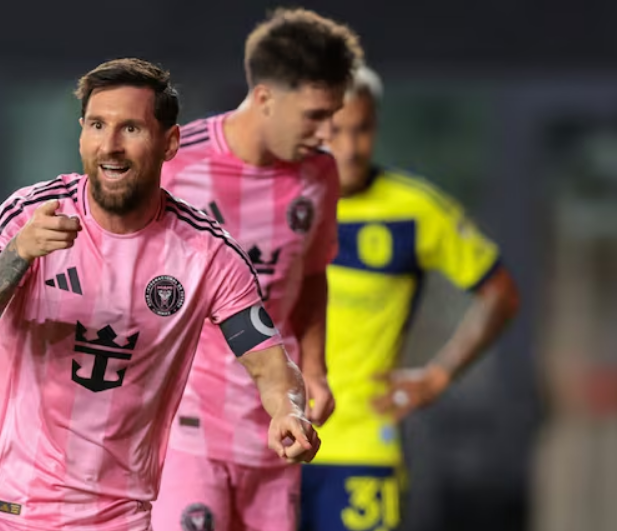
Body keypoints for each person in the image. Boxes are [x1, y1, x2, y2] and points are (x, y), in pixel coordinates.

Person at [0, 57, 320, 531]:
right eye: (97, 125)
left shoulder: (208, 254)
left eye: (131, 129)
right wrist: (19, 252)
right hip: (0, 505)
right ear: (82, 134)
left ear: (169, 142)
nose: (111, 146)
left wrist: (288, 412)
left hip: (115, 516)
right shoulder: (32, 214)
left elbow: (270, 366)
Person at [150, 8, 362, 531]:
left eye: (333, 116)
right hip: (184, 429)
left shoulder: (319, 173)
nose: (327, 133)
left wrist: (315, 370)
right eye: (314, 116)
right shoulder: (174, 164)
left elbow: (310, 275)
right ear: (265, 97)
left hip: (276, 425)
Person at [299, 66, 520, 531]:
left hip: (362, 446)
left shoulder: (414, 210)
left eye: (362, 129)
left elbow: (500, 293)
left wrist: (438, 375)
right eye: (337, 131)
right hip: (269, 444)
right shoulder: (272, 202)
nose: (351, 147)